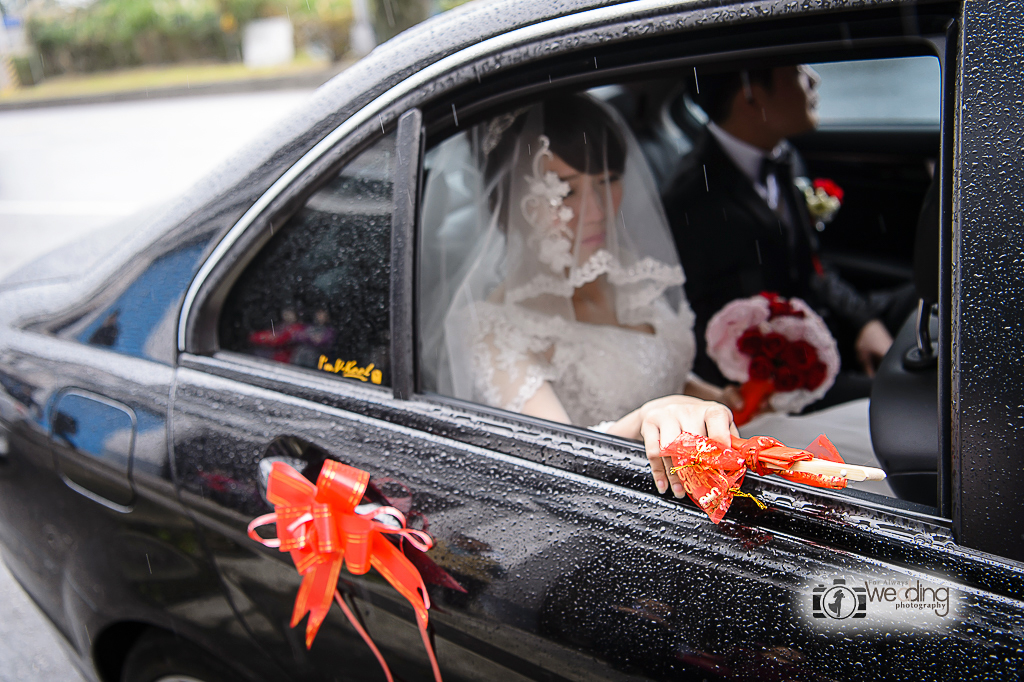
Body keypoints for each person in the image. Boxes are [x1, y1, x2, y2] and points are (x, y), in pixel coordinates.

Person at [421, 94, 739, 498]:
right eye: (566, 193)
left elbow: (654, 368)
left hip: (705, 479)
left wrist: (718, 399)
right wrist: (649, 419)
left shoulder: (627, 278)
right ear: (514, 201)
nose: (598, 209)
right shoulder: (490, 329)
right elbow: (558, 463)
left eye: (608, 181)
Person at [662, 65, 900, 402]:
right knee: (910, 394)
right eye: (796, 71)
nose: (814, 79)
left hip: (824, 320)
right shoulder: (690, 201)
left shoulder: (785, 158)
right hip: (777, 370)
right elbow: (704, 325)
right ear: (750, 94)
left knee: (930, 301)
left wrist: (864, 323)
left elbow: (813, 266)